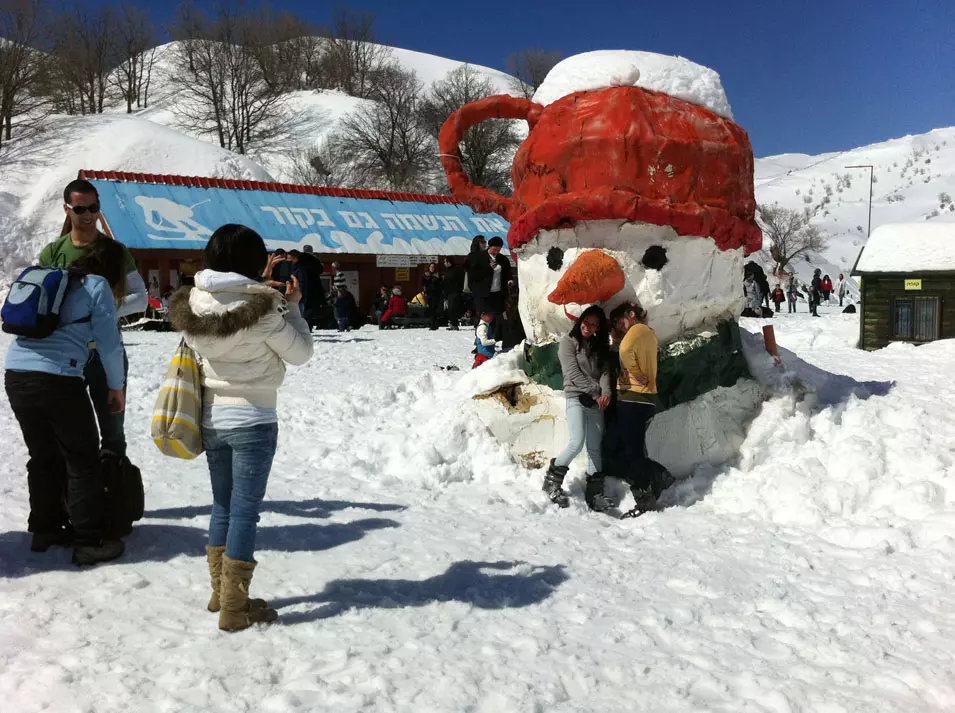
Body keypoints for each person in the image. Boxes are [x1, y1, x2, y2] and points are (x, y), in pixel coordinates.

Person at [169, 223, 313, 632]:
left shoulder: (194, 303)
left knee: (222, 505)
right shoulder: (263, 308)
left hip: (213, 415)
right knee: (245, 512)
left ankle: (220, 592)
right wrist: (295, 308)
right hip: (254, 417)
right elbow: (301, 354)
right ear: (253, 262)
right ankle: (236, 607)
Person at [6, 239, 129, 565]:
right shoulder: (97, 285)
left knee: (43, 455)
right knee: (82, 457)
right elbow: (110, 344)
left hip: (15, 374)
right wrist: (116, 387)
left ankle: (45, 529)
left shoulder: (56, 280)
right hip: (58, 380)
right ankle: (90, 540)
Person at [37, 179, 148, 460]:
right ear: (66, 209)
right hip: (65, 356)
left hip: (107, 354)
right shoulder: (53, 253)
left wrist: (101, 312)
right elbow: (42, 302)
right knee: (67, 436)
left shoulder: (116, 251)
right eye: (79, 208)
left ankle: (114, 497)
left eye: (93, 207)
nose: (87, 214)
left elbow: (141, 298)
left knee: (112, 435)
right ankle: (76, 500)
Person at [542, 306, 612, 510]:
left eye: (594, 325)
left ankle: (595, 493)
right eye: (586, 321)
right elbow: (571, 372)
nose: (588, 327)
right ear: (580, 319)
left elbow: (606, 371)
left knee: (594, 448)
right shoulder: (568, 342)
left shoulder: (599, 346)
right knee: (576, 441)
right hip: (576, 397)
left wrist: (606, 393)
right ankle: (551, 482)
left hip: (596, 400)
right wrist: (595, 391)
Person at [610, 302, 660, 518]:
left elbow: (625, 349)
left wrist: (633, 371)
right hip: (647, 396)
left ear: (631, 314)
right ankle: (661, 477)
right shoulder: (649, 333)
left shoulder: (635, 330)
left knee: (632, 450)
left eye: (621, 322)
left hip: (632, 396)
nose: (621, 327)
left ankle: (644, 497)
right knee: (635, 446)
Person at [464, 235, 490, 313]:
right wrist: (488, 270)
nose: (484, 244)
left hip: (490, 287)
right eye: (482, 242)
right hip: (478, 287)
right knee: (481, 312)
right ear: (476, 243)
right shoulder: (472, 256)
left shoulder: (487, 255)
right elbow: (471, 273)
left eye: (485, 242)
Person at [443, 257, 465, 330]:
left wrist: (459, 290)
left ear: (449, 262)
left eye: (445, 262)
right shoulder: (447, 271)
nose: (444, 263)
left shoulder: (457, 270)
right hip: (449, 292)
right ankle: (453, 323)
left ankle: (455, 324)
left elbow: (461, 281)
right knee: (450, 309)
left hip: (455, 292)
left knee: (453, 308)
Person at [422, 262, 444, 331]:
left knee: (435, 309)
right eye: (431, 267)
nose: (432, 268)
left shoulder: (438, 275)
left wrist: (438, 278)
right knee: (431, 309)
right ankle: (432, 324)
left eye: (433, 267)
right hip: (429, 294)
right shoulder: (426, 275)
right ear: (429, 268)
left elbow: (441, 284)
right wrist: (425, 292)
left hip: (436, 294)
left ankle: (434, 324)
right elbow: (423, 284)